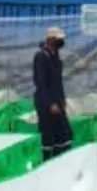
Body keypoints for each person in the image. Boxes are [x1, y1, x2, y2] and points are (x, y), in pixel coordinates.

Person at [34, 27, 73, 160]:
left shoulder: (55, 56)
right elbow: (41, 82)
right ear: (51, 40)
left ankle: (60, 159)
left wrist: (62, 100)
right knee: (48, 134)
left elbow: (58, 82)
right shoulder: (41, 56)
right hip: (46, 104)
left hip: (58, 102)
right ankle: (47, 161)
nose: (61, 41)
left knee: (64, 134)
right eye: (58, 39)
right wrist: (50, 103)